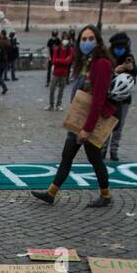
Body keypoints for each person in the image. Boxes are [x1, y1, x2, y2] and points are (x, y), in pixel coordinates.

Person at [31, 25, 116, 209]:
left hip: (87, 122)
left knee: (94, 159)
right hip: (78, 120)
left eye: (90, 38)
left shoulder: (101, 63)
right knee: (67, 156)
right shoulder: (87, 62)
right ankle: (51, 193)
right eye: (83, 39)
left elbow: (98, 99)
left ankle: (106, 195)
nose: (86, 42)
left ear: (98, 40)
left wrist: (88, 128)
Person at [106, 32, 137, 162]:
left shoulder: (129, 57)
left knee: (119, 126)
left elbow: (134, 78)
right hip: (109, 97)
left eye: (122, 47)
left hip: (124, 98)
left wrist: (131, 69)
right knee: (107, 124)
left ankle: (114, 150)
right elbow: (105, 76)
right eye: (118, 47)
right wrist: (115, 70)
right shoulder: (108, 57)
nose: (120, 50)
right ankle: (102, 149)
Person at [48, 33, 73, 110]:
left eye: (67, 39)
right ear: (62, 39)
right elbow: (54, 61)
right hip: (56, 72)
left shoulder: (70, 50)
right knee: (52, 89)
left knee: (61, 90)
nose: (65, 40)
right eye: (64, 38)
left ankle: (58, 105)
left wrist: (59, 61)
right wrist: (63, 61)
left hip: (64, 73)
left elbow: (68, 62)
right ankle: (51, 105)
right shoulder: (57, 49)